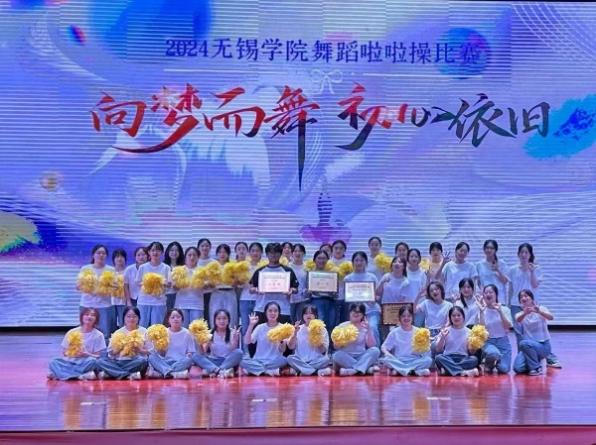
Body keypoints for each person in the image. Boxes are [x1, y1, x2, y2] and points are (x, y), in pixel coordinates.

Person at [48, 308, 106, 381]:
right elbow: (64, 352)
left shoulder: (99, 335)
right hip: (71, 361)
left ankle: (60, 374)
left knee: (94, 362)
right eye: (87, 314)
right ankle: (80, 376)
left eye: (93, 315)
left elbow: (98, 356)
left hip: (86, 361)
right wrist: (73, 354)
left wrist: (86, 354)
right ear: (82, 317)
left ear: (96, 319)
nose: (89, 317)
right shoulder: (72, 332)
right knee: (54, 361)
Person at [96, 306, 150, 380]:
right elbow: (110, 353)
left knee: (143, 361)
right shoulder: (118, 332)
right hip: (118, 361)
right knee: (100, 361)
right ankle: (126, 375)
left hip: (135, 361)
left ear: (139, 318)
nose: (131, 319)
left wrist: (139, 350)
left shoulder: (144, 331)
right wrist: (118, 349)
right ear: (124, 318)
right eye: (128, 316)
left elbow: (150, 351)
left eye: (134, 316)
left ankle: (113, 373)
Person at [250, 243, 299, 324]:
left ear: (280, 254)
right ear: (267, 254)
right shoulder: (260, 271)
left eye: (276, 252)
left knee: (283, 332)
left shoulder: (287, 271)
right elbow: (251, 289)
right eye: (271, 252)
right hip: (262, 308)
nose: (273, 255)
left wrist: (291, 290)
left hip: (283, 309)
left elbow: (296, 289)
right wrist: (256, 290)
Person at [380, 305, 432, 376]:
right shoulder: (394, 332)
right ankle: (415, 372)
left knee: (428, 360)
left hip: (415, 360)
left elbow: (426, 351)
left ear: (412, 317)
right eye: (403, 316)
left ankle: (401, 370)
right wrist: (387, 354)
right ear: (399, 318)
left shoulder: (419, 331)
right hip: (399, 360)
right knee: (386, 359)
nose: (406, 318)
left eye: (409, 316)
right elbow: (384, 347)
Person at [77, 244, 115, 338]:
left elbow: (115, 287)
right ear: (93, 255)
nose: (101, 255)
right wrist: (88, 288)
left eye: (103, 253)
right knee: (85, 332)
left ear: (106, 256)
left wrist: (109, 288)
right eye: (98, 253)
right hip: (87, 304)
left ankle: (103, 348)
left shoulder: (111, 270)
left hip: (104, 305)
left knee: (104, 334)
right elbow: (77, 286)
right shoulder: (85, 269)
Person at [241, 302, 289, 377]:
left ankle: (258, 370)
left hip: (274, 361)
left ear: (279, 313)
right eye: (270, 311)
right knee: (242, 361)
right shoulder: (260, 327)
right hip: (258, 360)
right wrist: (251, 325)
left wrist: (282, 341)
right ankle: (269, 371)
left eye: (275, 311)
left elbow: (282, 350)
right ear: (265, 313)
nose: (273, 313)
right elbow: (247, 341)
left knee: (285, 360)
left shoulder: (283, 327)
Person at [513, 289, 554, 376]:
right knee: (517, 368)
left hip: (543, 346)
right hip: (528, 347)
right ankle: (534, 359)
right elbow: (518, 320)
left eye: (526, 296)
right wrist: (525, 313)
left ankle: (536, 368)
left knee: (523, 343)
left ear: (532, 298)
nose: (524, 298)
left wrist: (539, 311)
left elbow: (551, 317)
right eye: (521, 297)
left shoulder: (541, 309)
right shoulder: (520, 314)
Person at [343, 251, 381, 346]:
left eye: (361, 260)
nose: (359, 263)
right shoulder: (348, 278)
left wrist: (374, 298)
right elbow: (346, 297)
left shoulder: (372, 277)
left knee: (373, 327)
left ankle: (376, 350)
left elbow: (378, 295)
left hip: (371, 310)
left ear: (366, 262)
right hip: (355, 312)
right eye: (356, 260)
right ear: (352, 262)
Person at [332, 303, 380, 376]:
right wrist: (343, 341)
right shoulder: (342, 326)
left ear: (363, 315)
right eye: (354, 311)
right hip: (347, 357)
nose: (356, 313)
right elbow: (335, 347)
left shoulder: (365, 326)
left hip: (361, 356)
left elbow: (371, 345)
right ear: (349, 313)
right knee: (336, 355)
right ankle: (363, 369)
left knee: (375, 350)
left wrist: (369, 330)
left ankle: (353, 370)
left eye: (359, 312)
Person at [192, 309, 243, 378]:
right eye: (219, 319)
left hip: (227, 361)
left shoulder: (233, 332)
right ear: (215, 321)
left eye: (224, 318)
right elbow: (203, 352)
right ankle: (220, 371)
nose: (222, 321)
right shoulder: (209, 333)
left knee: (239, 352)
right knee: (195, 355)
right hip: (213, 361)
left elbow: (233, 351)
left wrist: (235, 339)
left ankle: (214, 370)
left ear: (228, 320)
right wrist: (200, 343)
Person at [146, 308, 195, 379]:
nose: (175, 319)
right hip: (165, 362)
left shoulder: (187, 333)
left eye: (178, 317)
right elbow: (161, 354)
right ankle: (173, 373)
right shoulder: (164, 332)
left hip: (180, 362)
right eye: (173, 317)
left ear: (182, 319)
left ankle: (164, 372)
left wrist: (189, 355)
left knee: (189, 360)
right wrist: (159, 347)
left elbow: (191, 352)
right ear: (168, 320)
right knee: (151, 357)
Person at [434, 306, 480, 377]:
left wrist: (474, 345)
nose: (456, 317)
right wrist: (442, 337)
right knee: (438, 358)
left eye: (459, 315)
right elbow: (438, 349)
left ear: (463, 317)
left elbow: (471, 352)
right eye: (453, 315)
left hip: (463, 358)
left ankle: (448, 370)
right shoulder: (445, 330)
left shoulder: (470, 332)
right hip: (448, 358)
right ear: (450, 318)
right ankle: (462, 372)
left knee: (474, 359)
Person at [287, 305, 332, 376]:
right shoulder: (298, 328)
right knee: (290, 358)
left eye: (311, 313)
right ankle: (315, 372)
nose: (308, 315)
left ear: (315, 315)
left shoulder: (322, 329)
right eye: (306, 313)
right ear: (302, 316)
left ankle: (303, 371)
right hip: (301, 360)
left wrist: (317, 336)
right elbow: (291, 347)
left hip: (316, 361)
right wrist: (295, 333)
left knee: (326, 359)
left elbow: (323, 350)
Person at [477, 284, 512, 374]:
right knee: (493, 353)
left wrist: (500, 311)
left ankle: (494, 362)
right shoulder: (482, 310)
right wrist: (481, 312)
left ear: (496, 294)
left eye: (491, 292)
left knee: (504, 369)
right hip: (488, 341)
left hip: (503, 341)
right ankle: (488, 363)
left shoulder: (505, 309)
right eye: (486, 293)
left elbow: (507, 326)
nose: (488, 294)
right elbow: (482, 330)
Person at [135, 242, 171, 327]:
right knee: (141, 326)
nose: (155, 252)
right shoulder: (143, 267)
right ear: (149, 252)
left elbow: (169, 284)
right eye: (153, 250)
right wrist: (148, 283)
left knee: (156, 328)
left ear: (162, 252)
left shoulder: (166, 268)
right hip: (143, 301)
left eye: (158, 250)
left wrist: (160, 282)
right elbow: (137, 282)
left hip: (159, 302)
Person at [307, 250, 337, 332]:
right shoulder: (310, 274)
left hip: (331, 302)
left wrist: (334, 292)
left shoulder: (332, 275)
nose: (321, 261)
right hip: (316, 301)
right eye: (319, 258)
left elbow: (335, 293)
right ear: (314, 260)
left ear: (327, 260)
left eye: (324, 258)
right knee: (319, 325)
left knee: (331, 325)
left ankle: (329, 341)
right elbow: (306, 292)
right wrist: (308, 291)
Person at [209, 244, 239, 326]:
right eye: (220, 252)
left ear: (228, 254)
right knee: (214, 315)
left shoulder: (233, 266)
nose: (222, 254)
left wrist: (235, 281)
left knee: (231, 316)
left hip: (230, 293)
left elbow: (238, 282)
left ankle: (231, 333)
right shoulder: (213, 266)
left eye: (225, 252)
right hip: (216, 293)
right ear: (216, 254)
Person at [174, 247, 204, 327]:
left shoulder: (202, 271)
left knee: (197, 330)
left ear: (198, 257)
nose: (192, 257)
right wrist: (175, 285)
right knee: (182, 329)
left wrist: (206, 285)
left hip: (197, 305)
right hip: (181, 304)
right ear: (185, 256)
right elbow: (174, 288)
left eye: (194, 255)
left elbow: (207, 288)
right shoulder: (178, 270)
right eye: (189, 255)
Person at [239, 242, 263, 340]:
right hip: (245, 299)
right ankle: (245, 349)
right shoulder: (243, 266)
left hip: (260, 301)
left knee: (258, 328)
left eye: (257, 251)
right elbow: (238, 284)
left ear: (261, 252)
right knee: (245, 327)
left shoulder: (265, 266)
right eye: (253, 251)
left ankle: (256, 348)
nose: (255, 253)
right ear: (249, 253)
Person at [289, 244, 309, 323]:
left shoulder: (307, 267)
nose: (297, 253)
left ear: (304, 253)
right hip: (289, 298)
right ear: (292, 253)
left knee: (301, 322)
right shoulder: (287, 266)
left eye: (300, 251)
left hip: (303, 298)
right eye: (295, 251)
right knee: (289, 322)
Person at [164, 242, 185, 311]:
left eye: (177, 250)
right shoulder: (163, 266)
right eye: (172, 250)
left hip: (180, 295)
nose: (174, 252)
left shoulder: (184, 266)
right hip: (166, 295)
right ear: (168, 252)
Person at [111, 248, 128, 329]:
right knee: (110, 324)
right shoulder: (109, 271)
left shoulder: (128, 271)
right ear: (113, 259)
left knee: (123, 324)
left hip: (123, 302)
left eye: (122, 256)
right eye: (117, 257)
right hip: (110, 302)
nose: (119, 259)